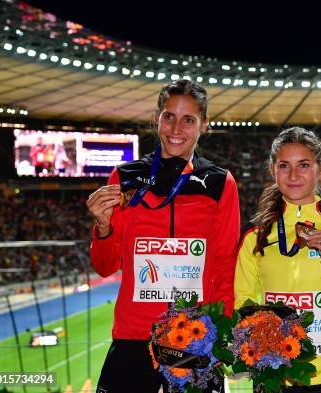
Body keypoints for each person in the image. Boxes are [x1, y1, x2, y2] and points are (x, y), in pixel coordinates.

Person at [86, 79, 240, 393]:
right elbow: (105, 266)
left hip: (196, 336)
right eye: (169, 116)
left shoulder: (220, 183)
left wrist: (223, 334)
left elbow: (225, 264)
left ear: (204, 125)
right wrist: (103, 228)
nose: (176, 128)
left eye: (189, 120)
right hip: (134, 335)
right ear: (157, 117)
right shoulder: (125, 177)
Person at [235, 127, 321, 392]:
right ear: (272, 170)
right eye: (284, 166)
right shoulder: (253, 235)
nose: (293, 175)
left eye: (303, 165)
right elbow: (242, 306)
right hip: (273, 376)